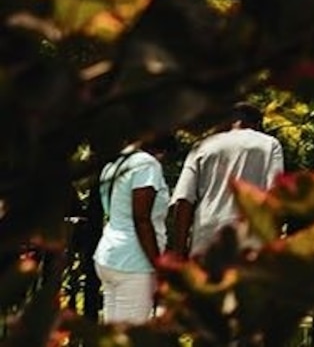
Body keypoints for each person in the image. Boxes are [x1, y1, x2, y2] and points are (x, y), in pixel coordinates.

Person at [167, 102, 285, 264]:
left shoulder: (203, 146)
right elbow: (275, 195)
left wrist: (179, 254)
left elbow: (184, 200)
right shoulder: (269, 145)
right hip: (250, 239)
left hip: (206, 237)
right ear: (257, 124)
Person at [90, 137, 168, 324]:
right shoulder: (147, 165)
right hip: (135, 261)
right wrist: (159, 266)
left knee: (113, 333)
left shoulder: (116, 162)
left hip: (110, 254)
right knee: (131, 335)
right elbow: (141, 218)